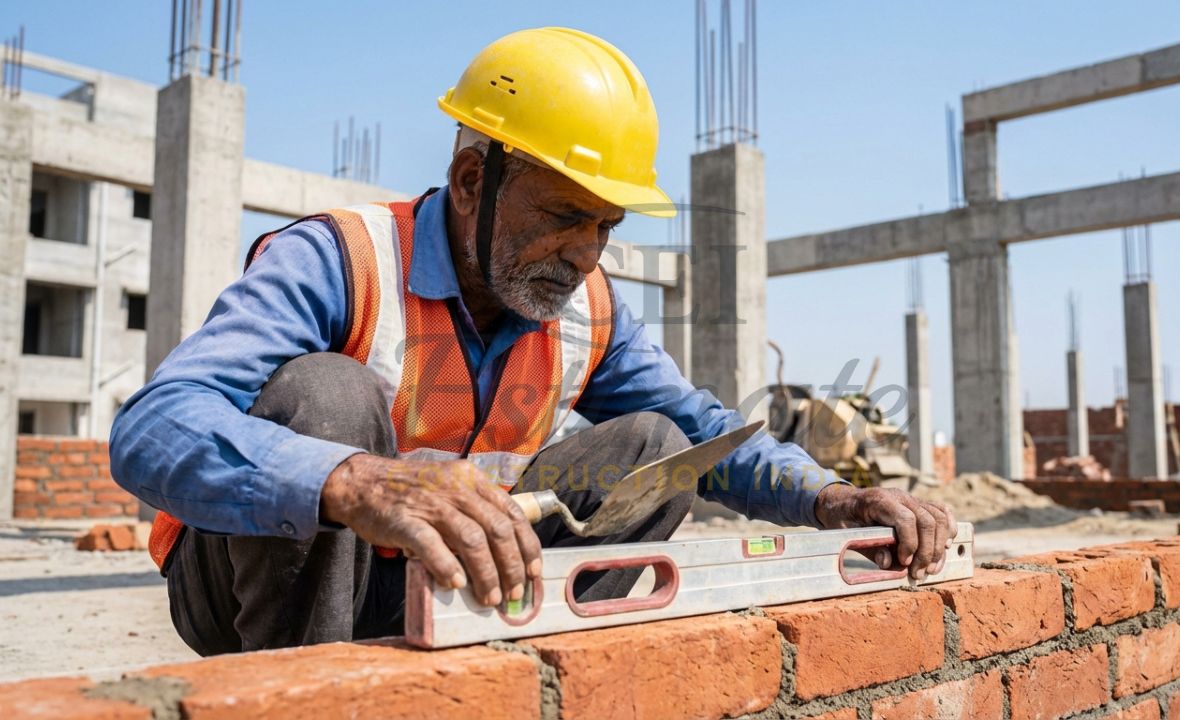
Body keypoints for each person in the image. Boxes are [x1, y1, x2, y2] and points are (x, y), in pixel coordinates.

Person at [110, 27, 956, 656]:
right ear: (474, 180)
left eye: (604, 225)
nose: (586, 251)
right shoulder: (342, 259)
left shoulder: (587, 306)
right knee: (327, 393)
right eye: (561, 216)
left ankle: (519, 673)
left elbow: (702, 433)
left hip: (441, 585)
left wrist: (830, 499)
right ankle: (317, 692)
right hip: (262, 595)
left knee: (652, 447)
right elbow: (151, 429)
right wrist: (357, 482)